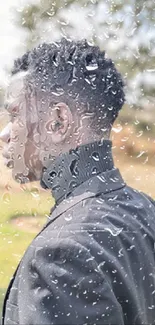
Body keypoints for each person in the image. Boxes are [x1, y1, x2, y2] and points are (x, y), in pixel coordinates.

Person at [0, 38, 155, 325]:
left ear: (58, 122)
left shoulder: (60, 254)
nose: (5, 134)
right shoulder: (146, 209)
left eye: (15, 115)